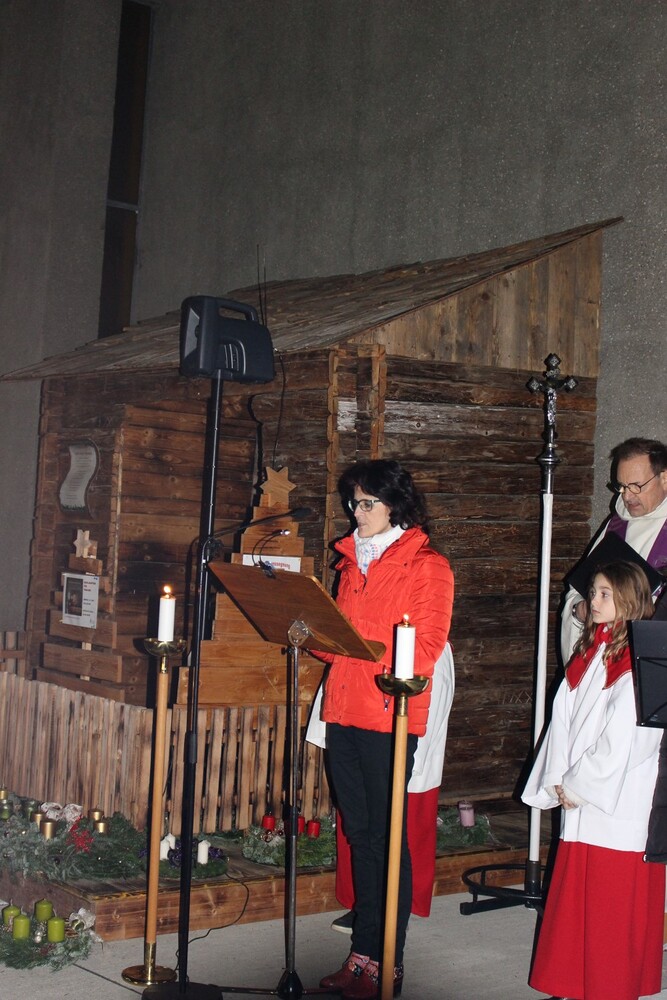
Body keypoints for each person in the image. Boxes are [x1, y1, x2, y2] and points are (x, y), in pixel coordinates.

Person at [317, 459, 454, 1000]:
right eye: (354, 503)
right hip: (343, 712)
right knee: (359, 836)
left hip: (389, 714)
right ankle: (361, 955)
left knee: (387, 838)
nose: (357, 512)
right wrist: (312, 632)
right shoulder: (351, 562)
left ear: (395, 504)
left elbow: (424, 650)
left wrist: (357, 645)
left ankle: (386, 962)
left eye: (367, 503)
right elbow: (335, 647)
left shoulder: (428, 565)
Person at [523, 561, 664, 1000]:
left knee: (609, 907)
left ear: (629, 599)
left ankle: (608, 988)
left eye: (605, 594)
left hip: (616, 804)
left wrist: (578, 785)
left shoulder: (639, 661)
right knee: (578, 899)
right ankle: (576, 984)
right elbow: (561, 723)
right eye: (594, 592)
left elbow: (629, 739)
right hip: (580, 799)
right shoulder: (590, 652)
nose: (593, 601)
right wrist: (557, 778)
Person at [306, 639, 455, 929]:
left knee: (395, 817)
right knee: (359, 820)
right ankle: (368, 908)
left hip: (408, 667)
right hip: (358, 678)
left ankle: (392, 915)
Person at [560, 437, 667, 664]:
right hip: (604, 657)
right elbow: (577, 591)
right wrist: (581, 610)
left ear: (664, 478)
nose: (626, 496)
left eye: (636, 486)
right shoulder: (617, 525)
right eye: (621, 486)